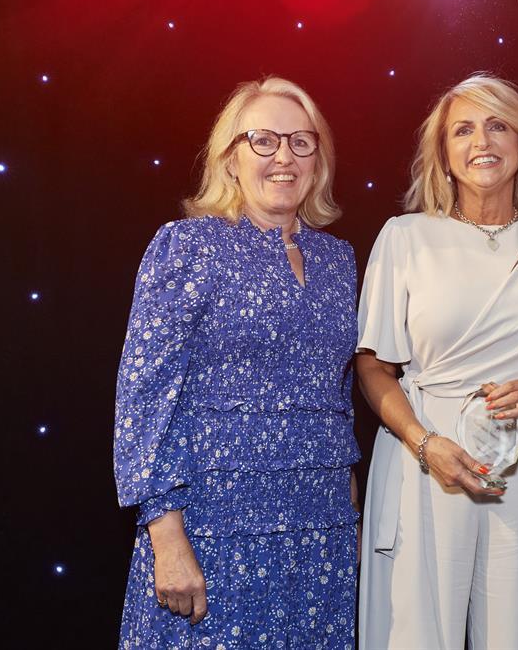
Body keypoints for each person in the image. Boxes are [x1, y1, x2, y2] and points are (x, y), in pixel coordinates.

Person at [356, 73, 518, 649]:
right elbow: (373, 366)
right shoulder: (404, 238)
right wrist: (422, 443)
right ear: (443, 154)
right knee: (417, 635)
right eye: (462, 129)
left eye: (497, 125)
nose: (481, 141)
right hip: (427, 459)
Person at [113, 76, 360, 648]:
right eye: (264, 140)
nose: (283, 156)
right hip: (213, 525)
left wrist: (346, 477)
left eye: (301, 142)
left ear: (318, 160)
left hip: (320, 526)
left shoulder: (339, 260)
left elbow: (336, 388)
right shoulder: (186, 245)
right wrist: (166, 537)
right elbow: (143, 398)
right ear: (230, 157)